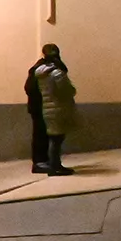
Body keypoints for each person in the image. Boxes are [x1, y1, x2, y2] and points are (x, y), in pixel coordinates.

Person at [33, 45, 77, 176]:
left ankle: (54, 165)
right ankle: (55, 166)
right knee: (57, 139)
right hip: (58, 108)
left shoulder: (40, 73)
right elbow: (67, 90)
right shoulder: (57, 73)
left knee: (53, 138)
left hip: (47, 108)